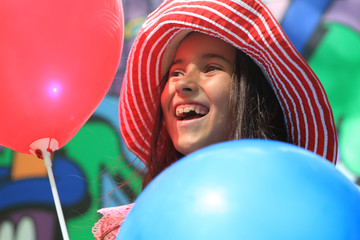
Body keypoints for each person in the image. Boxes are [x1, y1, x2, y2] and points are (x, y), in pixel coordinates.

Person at [93, 0, 338, 239]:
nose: (184, 84)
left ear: (264, 105)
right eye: (175, 72)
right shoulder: (134, 224)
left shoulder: (295, 215)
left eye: (211, 67)